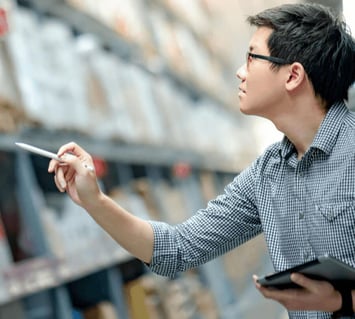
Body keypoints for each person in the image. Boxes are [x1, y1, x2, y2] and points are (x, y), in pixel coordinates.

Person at [48, 3, 355, 318]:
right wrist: (95, 200)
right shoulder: (268, 173)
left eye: (252, 58)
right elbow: (179, 249)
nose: (240, 71)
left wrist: (342, 301)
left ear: (293, 76)